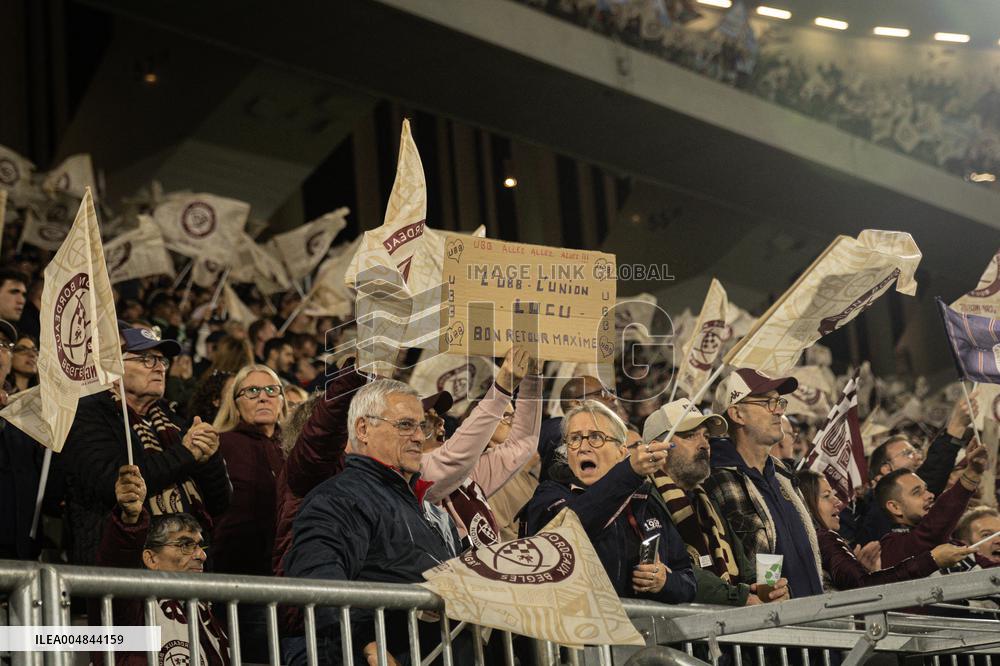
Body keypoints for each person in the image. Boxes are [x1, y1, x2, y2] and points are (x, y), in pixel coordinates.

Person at [283, 379, 469, 665]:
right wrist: (369, 646)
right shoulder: (338, 498)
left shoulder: (430, 510)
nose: (419, 436)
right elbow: (319, 579)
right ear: (363, 429)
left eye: (422, 426)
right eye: (405, 425)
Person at [62, 323, 231, 565]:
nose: (159, 368)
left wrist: (210, 458)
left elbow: (220, 503)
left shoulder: (174, 422)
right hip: (122, 561)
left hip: (189, 559)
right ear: (113, 367)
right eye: (146, 359)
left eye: (162, 361)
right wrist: (186, 453)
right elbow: (114, 483)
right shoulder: (88, 416)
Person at [523, 400, 696, 604]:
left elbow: (688, 581)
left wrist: (665, 582)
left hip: (644, 624)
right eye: (574, 438)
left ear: (621, 453)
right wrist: (629, 473)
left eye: (596, 437)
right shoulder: (548, 496)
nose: (583, 447)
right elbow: (567, 533)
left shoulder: (645, 502)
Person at [645, 398, 788, 606]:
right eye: (690, 435)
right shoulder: (644, 498)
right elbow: (676, 567)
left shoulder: (706, 501)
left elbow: (743, 565)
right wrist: (739, 596)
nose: (704, 444)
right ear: (657, 448)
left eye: (706, 436)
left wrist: (768, 589)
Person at [702, 368, 824, 600]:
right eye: (768, 402)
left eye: (779, 402)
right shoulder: (716, 479)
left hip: (813, 614)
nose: (779, 410)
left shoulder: (783, 475)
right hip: (771, 619)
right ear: (737, 414)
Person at [95, 465, 230, 666]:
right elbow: (116, 565)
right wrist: (129, 521)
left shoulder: (205, 613)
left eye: (200, 546)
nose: (201, 556)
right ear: (151, 559)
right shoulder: (132, 611)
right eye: (185, 545)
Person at [212, 364, 286, 662]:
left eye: (271, 390)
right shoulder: (221, 443)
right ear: (235, 402)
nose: (263, 397)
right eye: (252, 391)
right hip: (238, 581)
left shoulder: (295, 449)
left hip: (290, 582)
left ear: (282, 400)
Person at [796, 470, 971, 591]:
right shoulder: (823, 538)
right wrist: (932, 560)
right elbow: (863, 588)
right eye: (826, 496)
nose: (838, 502)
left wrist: (864, 571)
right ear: (805, 504)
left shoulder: (807, 541)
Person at [850, 403, 970, 546]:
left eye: (916, 451)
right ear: (886, 469)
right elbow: (932, 473)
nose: (918, 457)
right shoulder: (873, 512)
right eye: (907, 453)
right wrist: (955, 429)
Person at [876, 437, 988, 569]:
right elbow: (931, 530)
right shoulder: (893, 548)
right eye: (917, 492)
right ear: (895, 507)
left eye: (926, 489)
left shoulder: (956, 545)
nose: (930, 495)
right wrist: (972, 473)